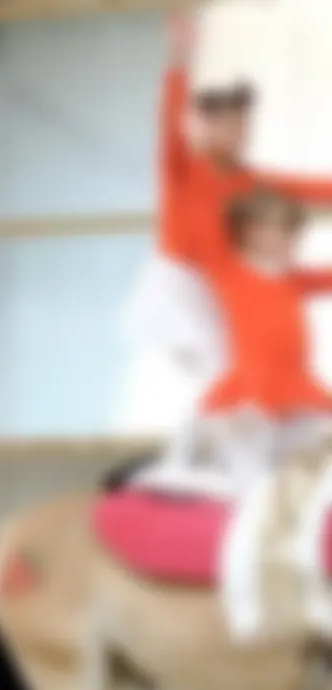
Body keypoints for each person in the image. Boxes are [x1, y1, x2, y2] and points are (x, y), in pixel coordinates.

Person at [124, 10, 332, 490]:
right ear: (200, 127)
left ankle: (228, 457)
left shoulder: (252, 183)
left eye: (243, 124)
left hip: (228, 288)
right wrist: (181, 57)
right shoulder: (184, 170)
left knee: (246, 372)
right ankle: (187, 462)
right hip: (180, 286)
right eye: (225, 123)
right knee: (228, 375)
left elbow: (311, 188)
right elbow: (167, 126)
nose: (237, 132)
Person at [183, 187, 332, 489]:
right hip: (249, 393)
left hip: (295, 390)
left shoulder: (293, 278)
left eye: (294, 233)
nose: (292, 241)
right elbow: (197, 211)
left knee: (308, 463)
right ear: (250, 233)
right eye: (282, 232)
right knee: (250, 480)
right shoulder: (228, 270)